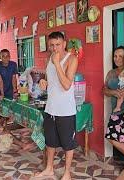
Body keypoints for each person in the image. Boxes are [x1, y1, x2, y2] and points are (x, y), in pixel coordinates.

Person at [35, 31, 78, 180]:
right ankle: (49, 169)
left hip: (66, 110)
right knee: (50, 141)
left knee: (68, 143)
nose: (55, 48)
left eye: (58, 45)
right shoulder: (49, 58)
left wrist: (58, 63)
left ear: (64, 44)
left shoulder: (72, 59)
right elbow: (49, 80)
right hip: (51, 108)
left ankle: (67, 173)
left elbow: (66, 85)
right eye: (51, 45)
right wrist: (43, 82)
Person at [104, 46, 124, 161]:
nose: (117, 59)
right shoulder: (111, 73)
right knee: (113, 137)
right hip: (117, 110)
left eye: (120, 56)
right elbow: (104, 90)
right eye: (115, 56)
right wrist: (113, 92)